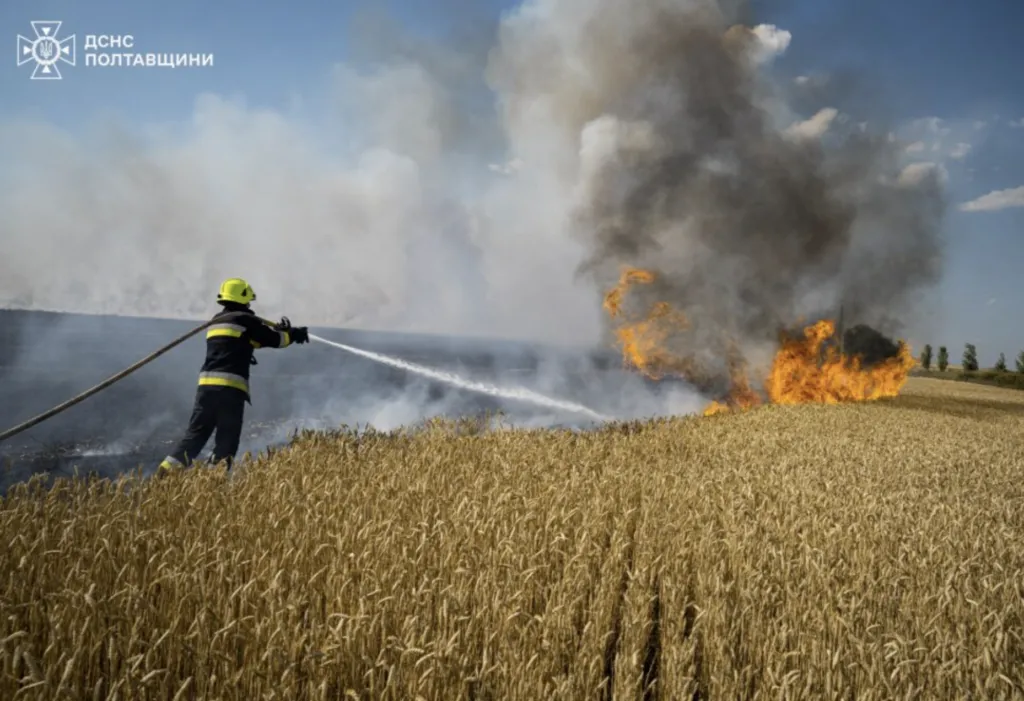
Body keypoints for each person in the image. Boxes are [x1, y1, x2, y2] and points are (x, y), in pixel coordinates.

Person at [157, 278, 309, 476]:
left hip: (205, 389)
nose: (249, 305)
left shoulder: (217, 321)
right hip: (229, 390)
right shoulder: (246, 320)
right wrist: (293, 335)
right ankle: (213, 484)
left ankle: (165, 473)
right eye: (248, 302)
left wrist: (278, 331)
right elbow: (274, 340)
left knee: (195, 436)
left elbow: (250, 341)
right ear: (244, 298)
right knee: (226, 441)